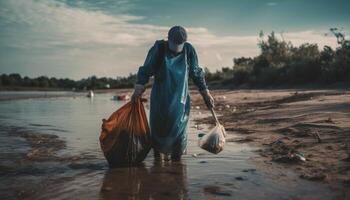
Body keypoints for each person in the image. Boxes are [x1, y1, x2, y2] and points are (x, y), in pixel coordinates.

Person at [132, 26, 214, 161]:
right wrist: (138, 89)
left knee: (179, 133)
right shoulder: (159, 49)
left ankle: (177, 167)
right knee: (159, 130)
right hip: (160, 99)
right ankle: (158, 164)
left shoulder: (188, 50)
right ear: (168, 39)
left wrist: (206, 93)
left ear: (184, 42)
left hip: (180, 101)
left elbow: (196, 73)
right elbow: (146, 70)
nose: (176, 48)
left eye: (179, 45)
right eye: (174, 44)